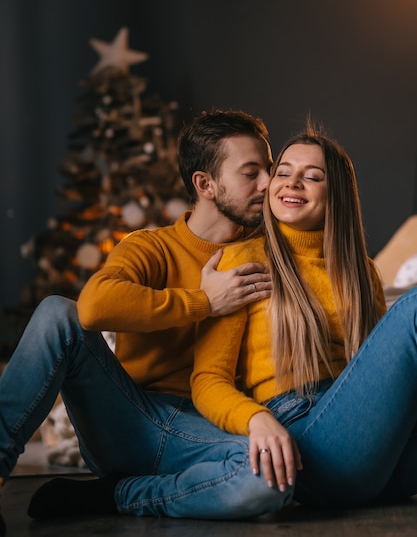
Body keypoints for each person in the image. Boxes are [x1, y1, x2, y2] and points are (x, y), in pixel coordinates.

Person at [0, 108, 293, 534]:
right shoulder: (152, 246)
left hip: (206, 429)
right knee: (56, 313)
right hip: (129, 419)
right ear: (205, 184)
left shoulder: (268, 253)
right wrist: (204, 302)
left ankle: (119, 496)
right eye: (251, 173)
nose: (269, 184)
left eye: (268, 170)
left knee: (272, 477)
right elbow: (94, 307)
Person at [191, 121, 417, 508]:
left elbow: (376, 381)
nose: (292, 183)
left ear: (337, 195)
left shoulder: (362, 273)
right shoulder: (243, 260)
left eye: (311, 177)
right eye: (283, 173)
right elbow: (207, 380)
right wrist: (255, 420)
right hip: (303, 442)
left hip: (376, 458)